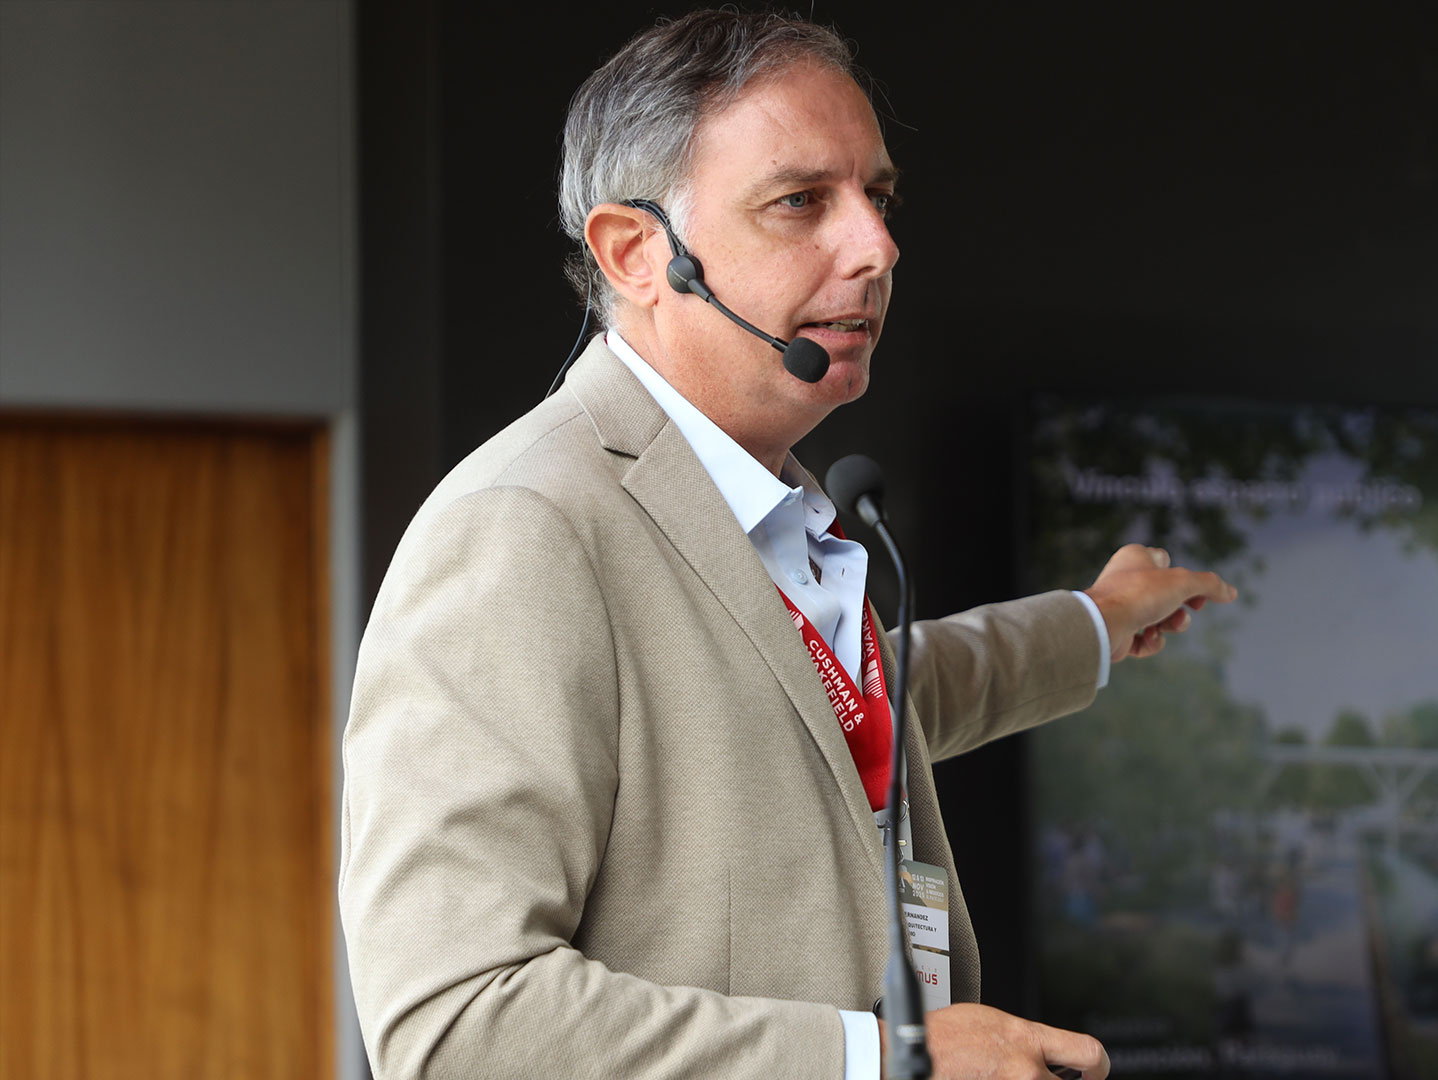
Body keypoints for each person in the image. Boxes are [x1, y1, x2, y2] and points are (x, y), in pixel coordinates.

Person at [338, 11, 1236, 1079]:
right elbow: (453, 1025)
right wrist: (882, 1060)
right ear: (637, 253)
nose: (877, 247)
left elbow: (844, 714)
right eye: (801, 201)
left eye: (878, 197)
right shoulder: (522, 528)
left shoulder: (765, 500)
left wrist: (1093, 623)